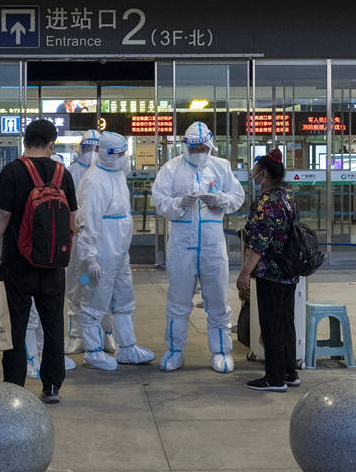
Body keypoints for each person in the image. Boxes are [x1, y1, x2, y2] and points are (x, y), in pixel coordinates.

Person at [0, 118, 78, 404]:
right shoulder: (63, 173)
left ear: (25, 142)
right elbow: (71, 220)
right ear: (51, 144)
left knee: (17, 326)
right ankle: (51, 387)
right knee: (52, 325)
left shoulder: (12, 171)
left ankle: (14, 386)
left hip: (18, 263)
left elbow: (1, 216)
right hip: (53, 265)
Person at [151, 121, 245, 372]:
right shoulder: (171, 169)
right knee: (178, 299)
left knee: (216, 298)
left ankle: (221, 351)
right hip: (182, 243)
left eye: (203, 147)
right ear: (185, 147)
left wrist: (220, 200)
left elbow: (238, 197)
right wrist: (179, 203)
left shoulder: (221, 167)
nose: (199, 152)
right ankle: (174, 350)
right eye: (194, 148)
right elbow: (160, 202)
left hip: (213, 244)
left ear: (210, 146)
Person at [75, 131, 154, 370]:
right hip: (101, 253)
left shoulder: (117, 174)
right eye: (121, 154)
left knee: (124, 298)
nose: (125, 157)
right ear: (109, 155)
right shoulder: (95, 180)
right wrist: (89, 259)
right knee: (94, 301)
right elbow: (87, 220)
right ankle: (93, 351)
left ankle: (127, 347)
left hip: (119, 251)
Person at [236, 153, 300, 392]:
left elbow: (259, 242)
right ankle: (289, 371)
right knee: (286, 321)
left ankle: (274, 379)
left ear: (264, 175)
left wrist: (244, 273)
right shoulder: (287, 197)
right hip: (289, 269)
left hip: (270, 272)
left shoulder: (265, 202)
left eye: (255, 171)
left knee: (271, 323)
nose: (253, 175)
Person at [65, 129, 111, 356]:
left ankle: (107, 333)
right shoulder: (71, 172)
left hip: (104, 239)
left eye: (95, 149)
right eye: (87, 148)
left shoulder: (109, 173)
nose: (90, 153)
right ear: (79, 149)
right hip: (79, 237)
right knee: (77, 283)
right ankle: (76, 334)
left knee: (104, 284)